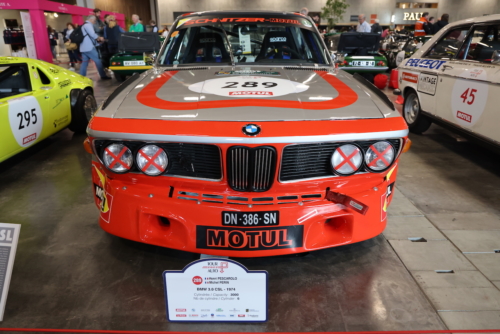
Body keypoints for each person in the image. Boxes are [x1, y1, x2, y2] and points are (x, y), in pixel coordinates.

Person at [79, 15, 111, 79]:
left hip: (83, 48)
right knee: (98, 61)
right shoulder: (88, 25)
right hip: (89, 47)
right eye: (94, 20)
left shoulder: (83, 25)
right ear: (91, 19)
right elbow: (93, 35)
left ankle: (81, 77)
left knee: (84, 63)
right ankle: (103, 75)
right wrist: (100, 38)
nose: (95, 22)